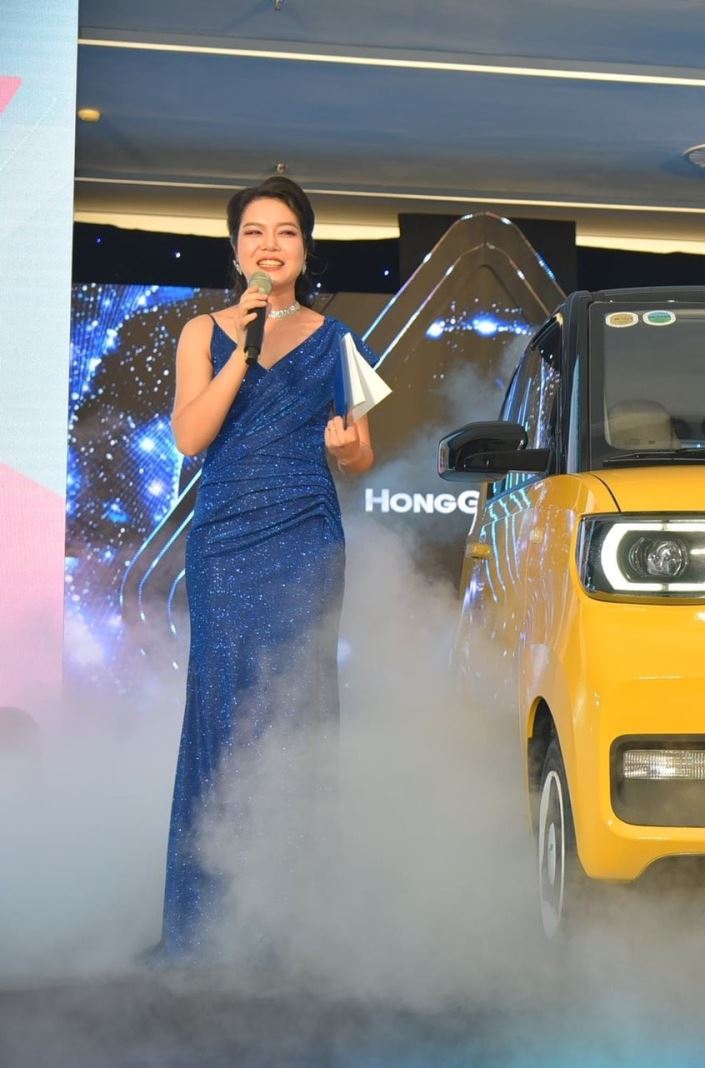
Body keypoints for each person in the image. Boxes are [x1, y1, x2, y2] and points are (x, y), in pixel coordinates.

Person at [157, 175, 377, 959]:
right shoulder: (202, 332)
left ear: (305, 251)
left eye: (285, 232)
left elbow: (361, 451)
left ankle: (293, 918)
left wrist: (346, 448)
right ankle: (210, 917)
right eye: (255, 231)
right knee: (224, 704)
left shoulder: (339, 338)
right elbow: (191, 439)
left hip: (306, 537)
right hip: (224, 541)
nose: (270, 245)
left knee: (298, 708)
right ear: (235, 248)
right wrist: (241, 351)